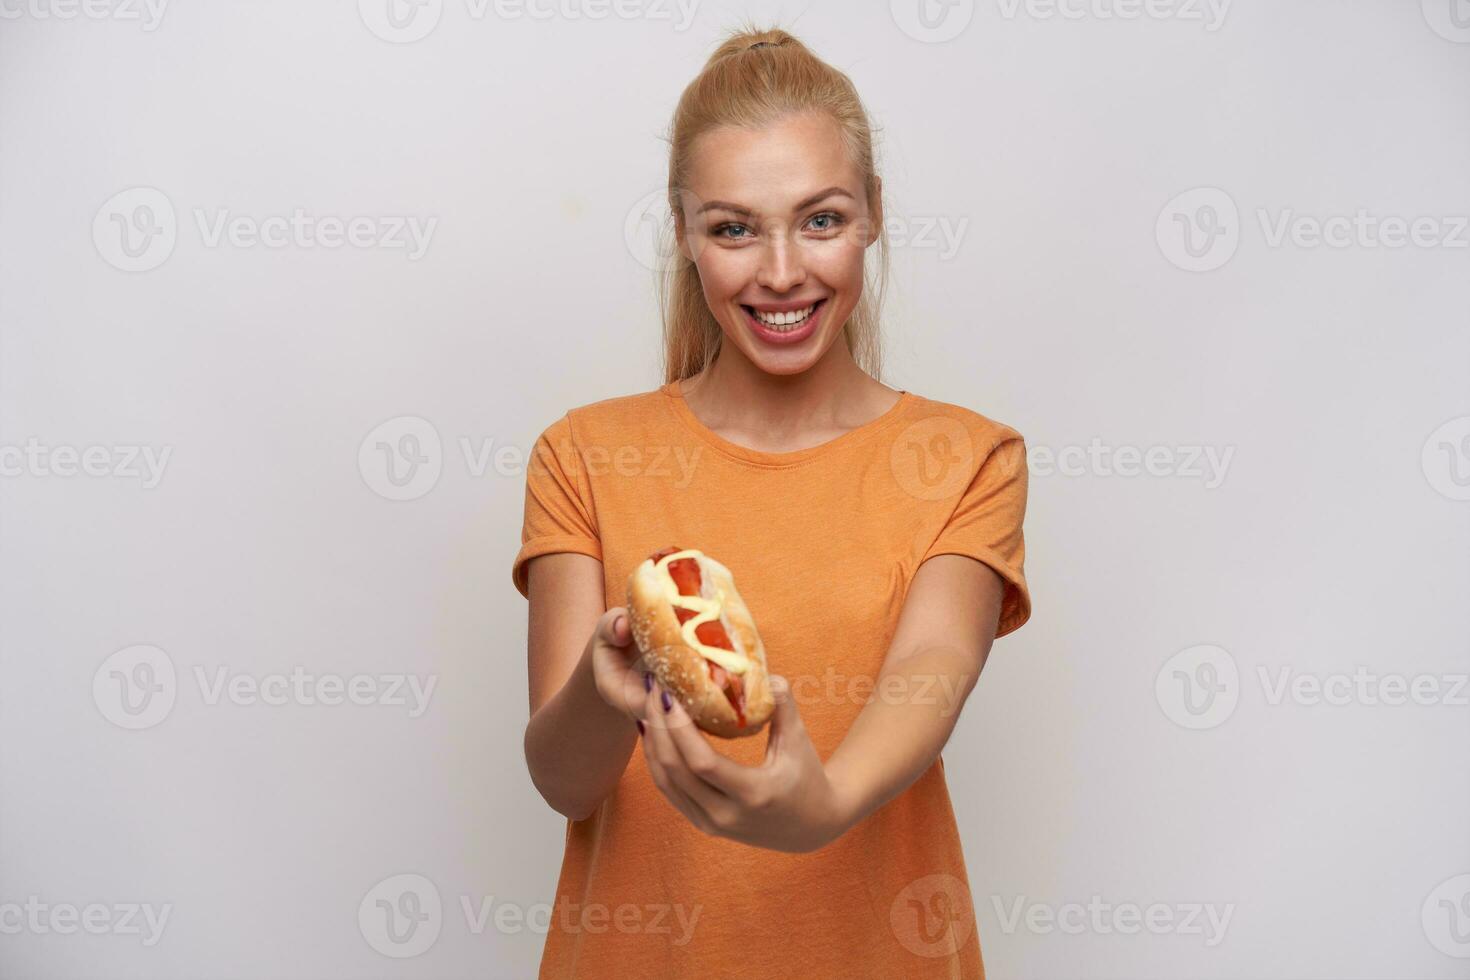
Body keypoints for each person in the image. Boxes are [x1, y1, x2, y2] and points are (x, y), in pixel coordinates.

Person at [512, 23, 1032, 979]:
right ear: (684, 235)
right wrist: (602, 680)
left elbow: (933, 663)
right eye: (734, 227)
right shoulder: (584, 454)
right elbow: (563, 781)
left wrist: (823, 806)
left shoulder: (963, 458)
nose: (784, 272)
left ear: (873, 213)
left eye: (821, 219)